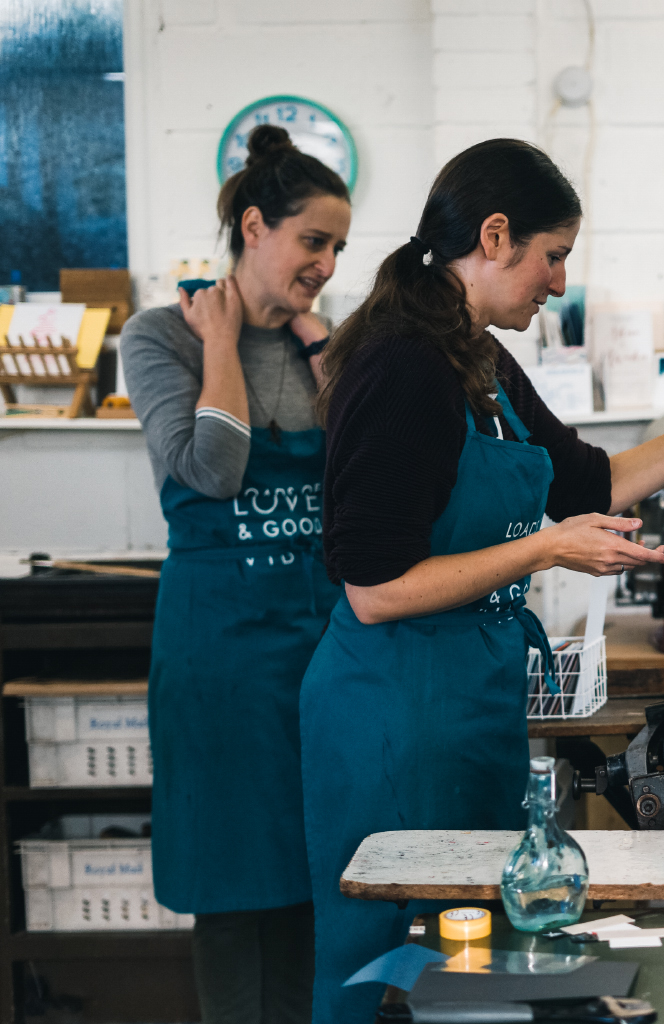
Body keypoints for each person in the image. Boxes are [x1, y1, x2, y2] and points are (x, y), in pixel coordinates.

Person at [300, 138, 664, 1021]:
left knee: (469, 955)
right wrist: (544, 550)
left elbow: (590, 483)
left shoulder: (476, 358)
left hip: (466, 695)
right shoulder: (405, 363)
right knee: (395, 963)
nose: (559, 281)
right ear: (495, 236)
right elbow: (372, 589)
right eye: (553, 255)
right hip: (393, 710)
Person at [120, 125, 351, 1023]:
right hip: (219, 652)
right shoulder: (160, 337)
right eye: (312, 241)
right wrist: (223, 339)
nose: (327, 263)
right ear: (254, 226)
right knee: (231, 887)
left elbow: (362, 467)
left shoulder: (318, 342)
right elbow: (211, 468)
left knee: (310, 875)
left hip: (317, 645)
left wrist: (324, 344)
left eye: (336, 246)